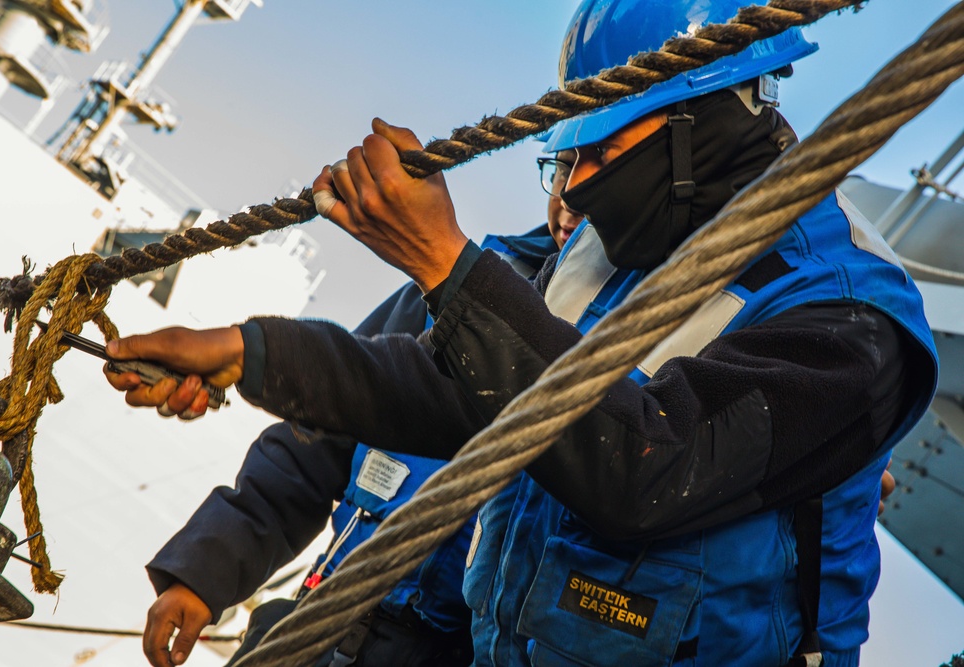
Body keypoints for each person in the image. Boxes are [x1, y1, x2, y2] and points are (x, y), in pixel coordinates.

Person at [106, 1, 938, 664]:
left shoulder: (848, 320)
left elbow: (650, 469)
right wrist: (250, 352)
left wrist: (443, 263)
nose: (575, 186)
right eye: (563, 160)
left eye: (598, 151)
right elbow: (461, 397)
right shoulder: (611, 260)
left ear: (697, 126)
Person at [138, 158, 570, 667]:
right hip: (311, 633)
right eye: (562, 167)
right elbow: (313, 446)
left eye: (602, 158)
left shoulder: (649, 342)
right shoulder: (458, 288)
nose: (568, 195)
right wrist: (203, 573)